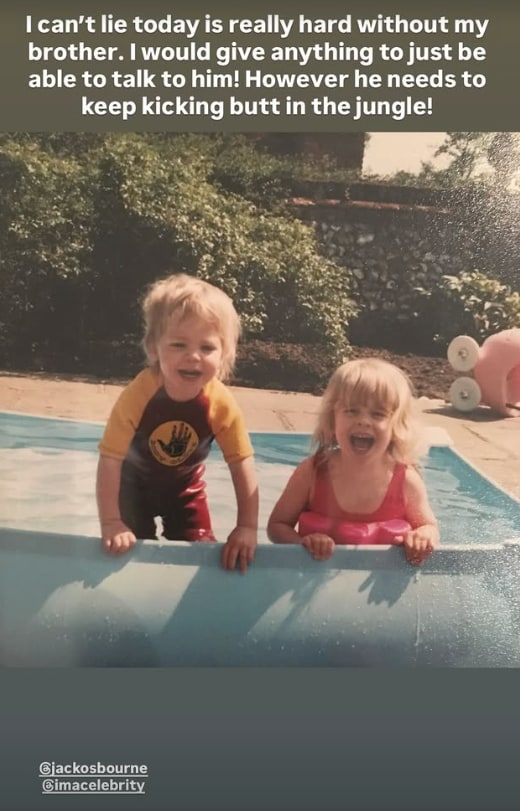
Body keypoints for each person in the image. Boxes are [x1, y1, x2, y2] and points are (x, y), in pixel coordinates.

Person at [96, 273, 258, 573]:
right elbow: (110, 459)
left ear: (224, 354)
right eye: (179, 345)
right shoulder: (139, 395)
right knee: (130, 557)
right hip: (132, 490)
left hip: (186, 492)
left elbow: (242, 462)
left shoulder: (220, 403)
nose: (193, 356)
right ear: (154, 348)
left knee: (202, 555)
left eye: (207, 348)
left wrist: (247, 526)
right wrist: (111, 521)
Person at [267, 358, 439, 565]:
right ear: (332, 419)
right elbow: (277, 526)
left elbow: (429, 527)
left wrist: (423, 536)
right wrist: (302, 543)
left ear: (397, 426)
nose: (363, 421)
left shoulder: (406, 481)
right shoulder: (313, 472)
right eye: (351, 411)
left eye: (378, 414)